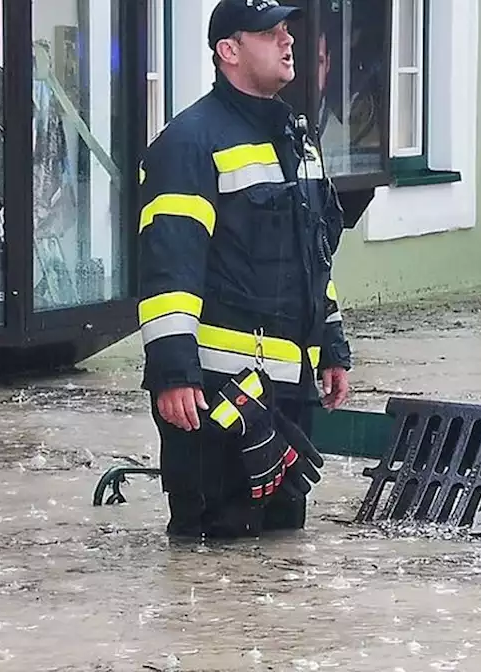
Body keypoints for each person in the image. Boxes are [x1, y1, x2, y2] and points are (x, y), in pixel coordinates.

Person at [135, 0, 352, 540]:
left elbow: (312, 253)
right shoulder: (189, 143)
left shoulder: (296, 138)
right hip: (213, 397)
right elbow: (169, 267)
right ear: (228, 51)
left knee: (281, 566)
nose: (288, 41)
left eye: (286, 30)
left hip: (289, 396)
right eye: (268, 33)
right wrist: (174, 374)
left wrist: (331, 344)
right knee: (212, 561)